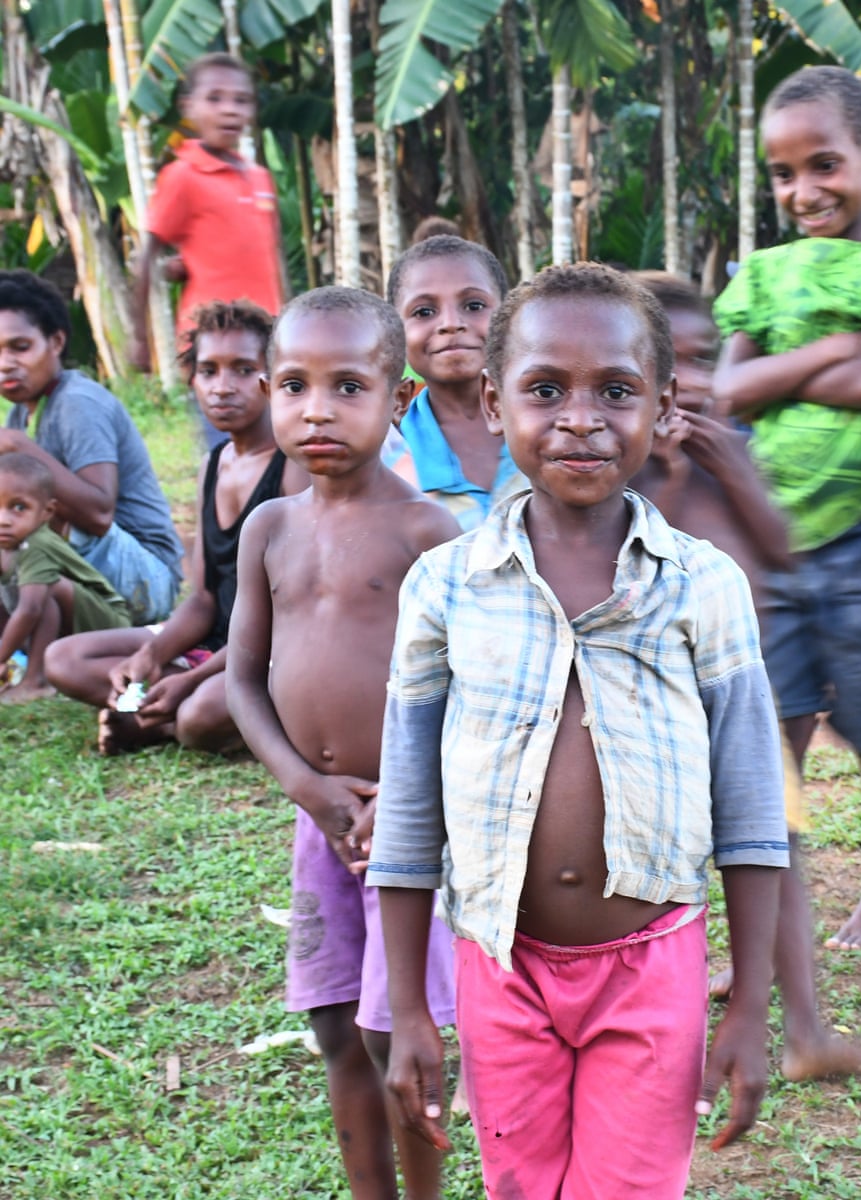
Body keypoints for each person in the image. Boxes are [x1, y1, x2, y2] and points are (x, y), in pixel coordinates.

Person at [367, 263, 789, 1199]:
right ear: (491, 399)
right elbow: (407, 811)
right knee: (520, 1187)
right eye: (546, 388)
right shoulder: (445, 585)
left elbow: (754, 813)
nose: (582, 417)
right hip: (498, 967)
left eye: (617, 391)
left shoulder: (701, 585)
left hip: (651, 965)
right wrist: (408, 1009)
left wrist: (752, 1006)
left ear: (664, 403)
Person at [711, 66, 861, 952]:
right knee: (774, 721)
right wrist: (838, 341)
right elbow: (726, 392)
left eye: (824, 165)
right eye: (783, 175)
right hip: (764, 529)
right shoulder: (765, 272)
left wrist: (801, 363)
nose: (804, 191)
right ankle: (771, 888)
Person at [225, 286, 462, 1198]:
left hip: (409, 830)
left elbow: (463, 699)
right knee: (332, 1024)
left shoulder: (425, 533)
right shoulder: (271, 529)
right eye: (292, 384)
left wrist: (404, 804)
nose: (315, 409)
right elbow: (242, 679)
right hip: (318, 820)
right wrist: (302, 785)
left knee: (393, 1031)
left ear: (399, 400)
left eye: (347, 386)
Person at [630, 271, 861, 1080]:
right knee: (665, 882)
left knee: (778, 857)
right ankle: (676, 1044)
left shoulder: (730, 452)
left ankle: (806, 1031)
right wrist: (661, 473)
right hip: (643, 719)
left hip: (743, 706)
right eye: (671, 362)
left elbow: (777, 547)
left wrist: (725, 464)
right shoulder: (618, 470)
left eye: (705, 360)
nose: (693, 381)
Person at [45, 301, 304, 756]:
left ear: (273, 379)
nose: (223, 388)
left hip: (275, 647)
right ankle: (173, 707)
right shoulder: (213, 464)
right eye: (208, 371)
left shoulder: (293, 468)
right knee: (64, 659)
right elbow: (204, 597)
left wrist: (190, 678)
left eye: (243, 370)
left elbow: (287, 619)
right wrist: (156, 655)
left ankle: (157, 724)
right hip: (216, 641)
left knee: (198, 717)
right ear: (193, 381)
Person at [0, 270, 183, 623]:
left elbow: (99, 515)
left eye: (20, 347)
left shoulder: (78, 401)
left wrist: (18, 445)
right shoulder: (20, 416)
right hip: (97, 578)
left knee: (29, 530)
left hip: (146, 578)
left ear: (56, 342)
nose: (6, 363)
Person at [132, 53, 285, 446]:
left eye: (240, 100)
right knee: (225, 447)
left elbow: (266, 256)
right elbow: (147, 252)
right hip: (214, 347)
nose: (229, 110)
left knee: (276, 445)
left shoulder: (259, 178)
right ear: (189, 108)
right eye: (215, 99)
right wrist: (140, 338)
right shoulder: (182, 176)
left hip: (266, 338)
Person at [385, 235, 526, 530]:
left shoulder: (551, 429)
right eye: (424, 312)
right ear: (395, 332)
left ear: (508, 315)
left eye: (474, 306)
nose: (450, 323)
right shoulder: (387, 456)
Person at [0, 453, 130, 704]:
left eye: (19, 507)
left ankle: (36, 682)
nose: (4, 520)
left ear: (46, 512)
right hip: (65, 630)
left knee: (46, 592)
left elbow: (30, 610)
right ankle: (20, 663)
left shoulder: (36, 543)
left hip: (109, 627)